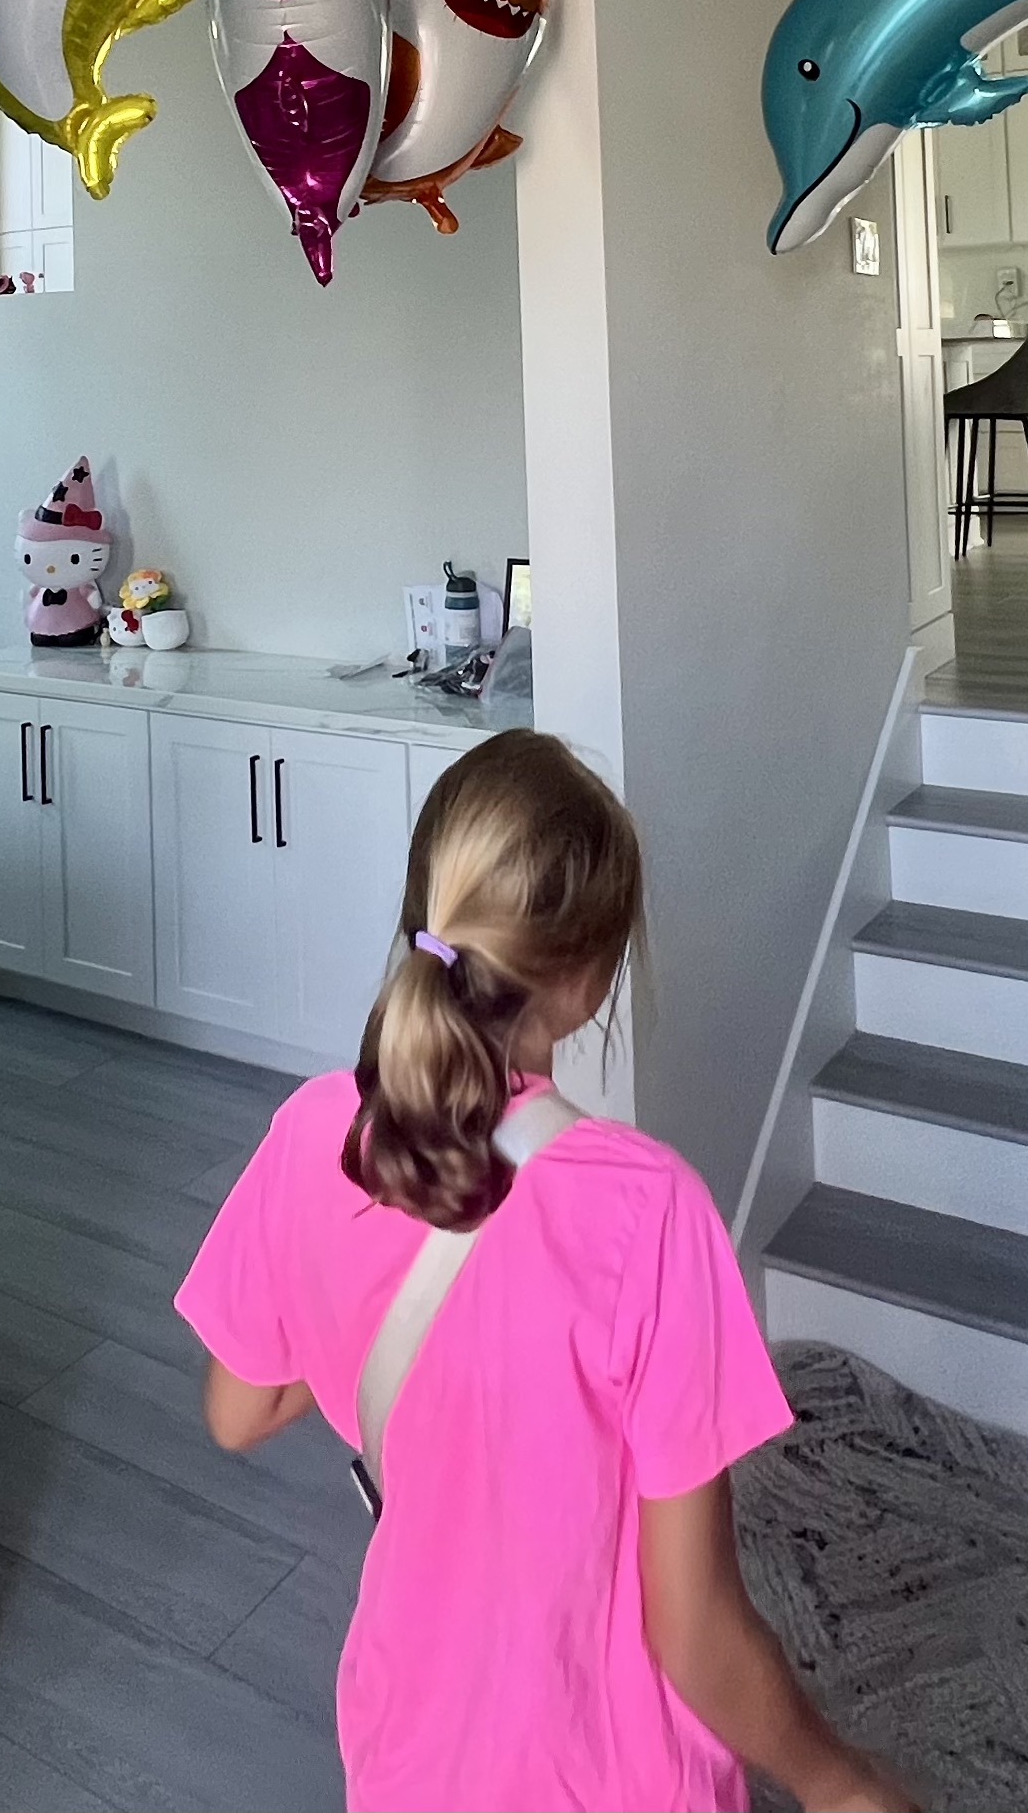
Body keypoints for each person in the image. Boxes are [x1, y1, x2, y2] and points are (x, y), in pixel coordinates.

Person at [174, 732, 904, 1813]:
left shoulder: (311, 1132)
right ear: (588, 977)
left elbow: (239, 1410)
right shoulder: (648, 1212)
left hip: (404, 1754)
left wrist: (360, 1317)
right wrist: (840, 1785)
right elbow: (694, 1629)